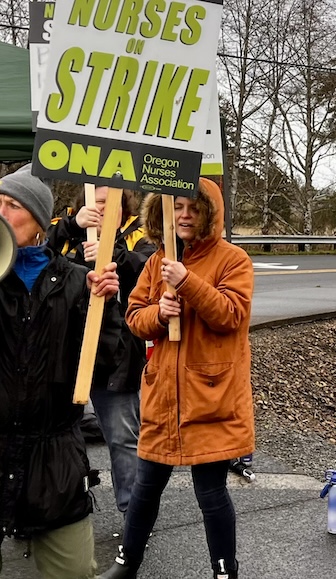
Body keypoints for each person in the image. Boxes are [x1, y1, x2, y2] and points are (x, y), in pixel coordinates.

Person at [0, 164, 123, 579]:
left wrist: (104, 309)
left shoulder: (75, 282)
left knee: (73, 571)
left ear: (39, 220)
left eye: (13, 204)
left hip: (52, 463)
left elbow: (103, 364)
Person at [99, 179, 255, 579]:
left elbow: (231, 315)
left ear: (210, 213)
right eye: (177, 207)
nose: (184, 215)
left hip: (212, 398)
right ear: (163, 213)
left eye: (193, 207)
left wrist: (187, 282)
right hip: (164, 397)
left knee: (211, 492)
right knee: (146, 487)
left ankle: (224, 572)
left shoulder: (233, 259)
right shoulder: (157, 261)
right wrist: (160, 313)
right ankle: (126, 563)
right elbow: (136, 318)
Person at [48, 185, 155, 517]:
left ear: (124, 205)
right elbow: (36, 254)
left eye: (112, 204)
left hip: (117, 358)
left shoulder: (140, 232)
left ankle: (133, 514)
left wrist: (114, 254)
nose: (105, 210)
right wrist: (72, 228)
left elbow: (150, 270)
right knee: (52, 435)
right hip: (64, 355)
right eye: (98, 204)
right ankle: (51, 506)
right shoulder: (65, 228)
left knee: (124, 440)